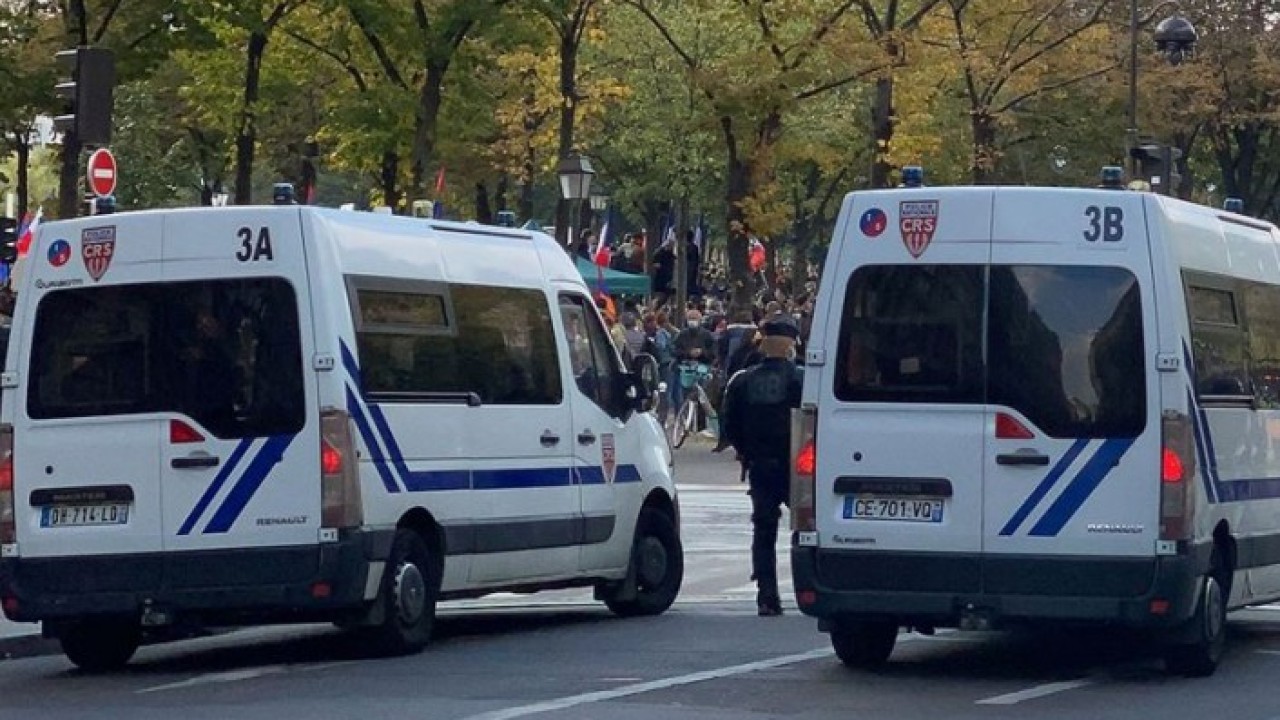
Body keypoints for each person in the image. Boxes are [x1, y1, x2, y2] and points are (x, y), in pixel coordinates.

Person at [721, 315, 803, 617]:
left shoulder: (742, 381)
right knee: (809, 529)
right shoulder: (801, 379)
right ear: (791, 345)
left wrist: (746, 452)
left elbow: (730, 426)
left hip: (760, 463)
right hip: (798, 466)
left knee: (764, 531)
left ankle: (767, 596)